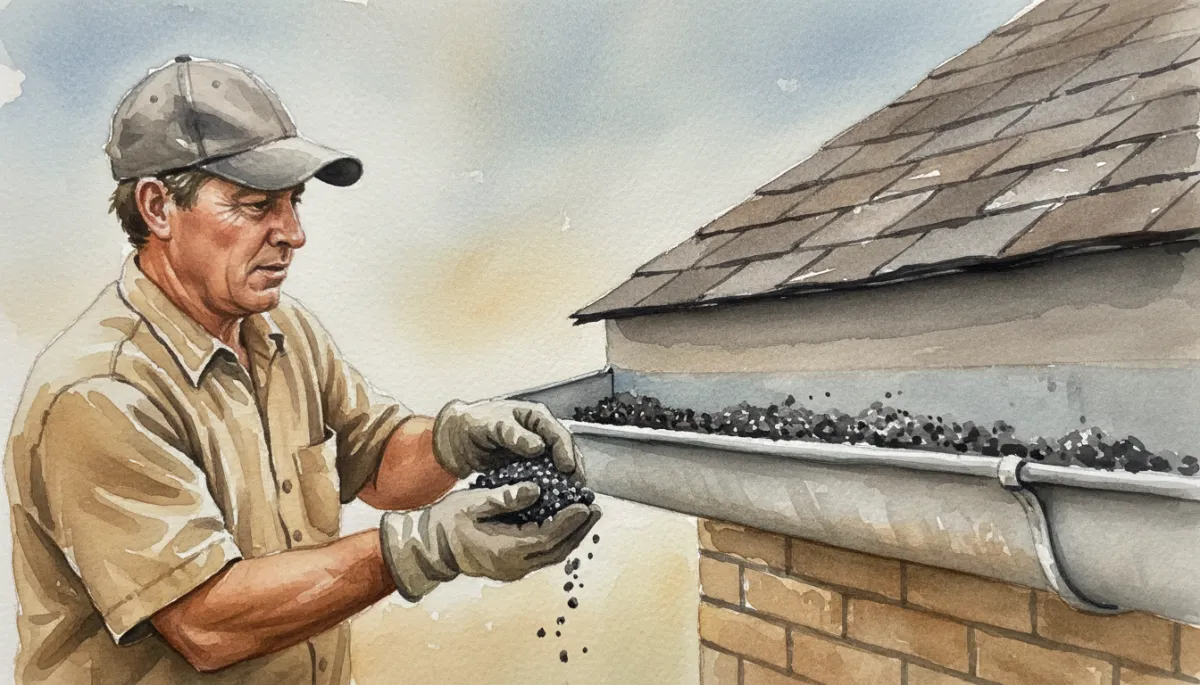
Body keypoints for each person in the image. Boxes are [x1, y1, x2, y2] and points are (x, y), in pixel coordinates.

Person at [4, 55, 601, 685]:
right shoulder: (98, 390)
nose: (292, 232)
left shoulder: (282, 331)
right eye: (255, 204)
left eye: (293, 201)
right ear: (157, 208)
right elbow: (206, 622)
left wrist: (456, 440)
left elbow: (375, 461)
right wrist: (425, 547)